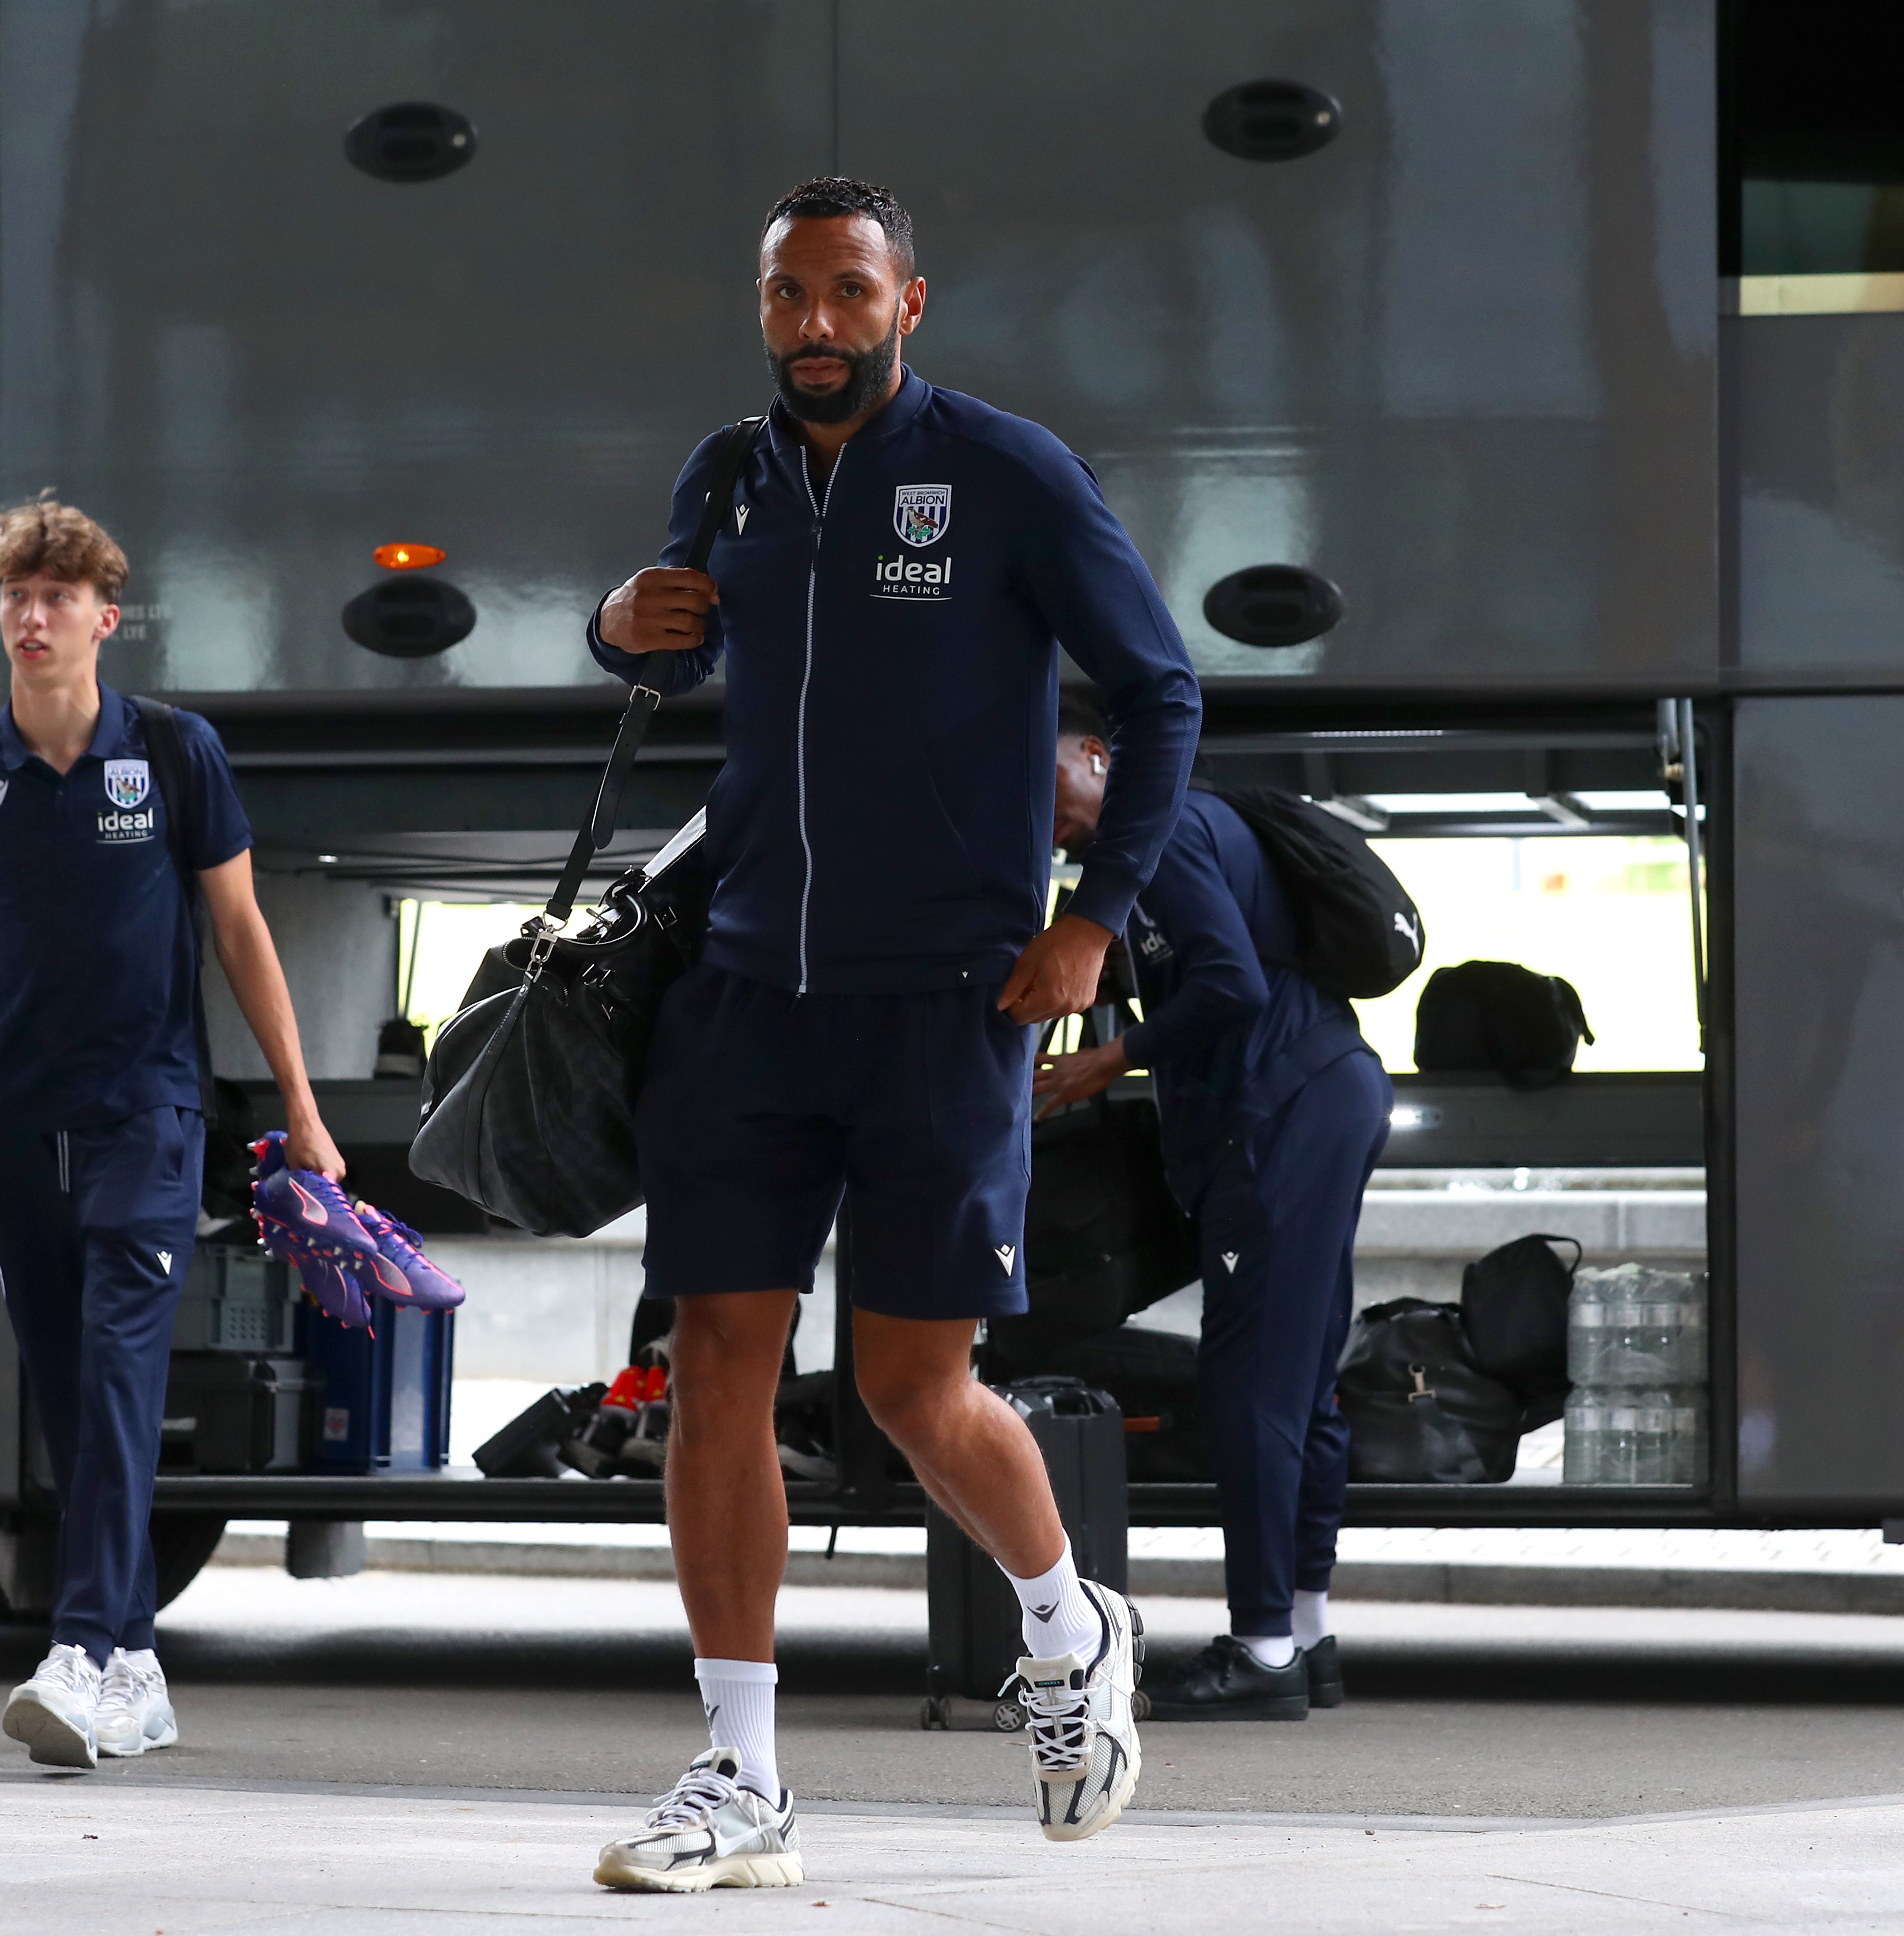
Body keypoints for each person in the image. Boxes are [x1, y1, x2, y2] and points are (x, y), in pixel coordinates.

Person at [584, 177, 1200, 1890]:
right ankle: (741, 1779)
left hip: (948, 1003)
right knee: (716, 1363)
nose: (815, 325)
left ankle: (1070, 1626)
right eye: (789, 295)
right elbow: (660, 643)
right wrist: (617, 626)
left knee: (912, 1390)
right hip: (741, 993)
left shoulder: (1004, 472)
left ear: (910, 304)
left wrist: (1095, 921)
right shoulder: (730, 473)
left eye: (849, 293)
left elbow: (1160, 695)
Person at [0, 498, 347, 1771]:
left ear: (104, 619)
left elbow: (242, 933)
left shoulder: (175, 754)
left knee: (122, 1366)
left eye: (57, 598)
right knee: (70, 1401)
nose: (32, 618)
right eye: (17, 597)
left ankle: (81, 1655)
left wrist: (302, 1112)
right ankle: (135, 1663)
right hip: (17, 1123)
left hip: (151, 1110)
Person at [1035, 698, 1392, 1721]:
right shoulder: (1161, 843)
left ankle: (1262, 1650)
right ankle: (1307, 1634)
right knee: (1303, 1377)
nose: (1034, 806)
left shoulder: (1170, 831)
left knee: (1251, 1386)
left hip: (1282, 1111)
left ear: (1100, 755)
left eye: (1043, 774)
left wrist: (1117, 1055)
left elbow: (1228, 984)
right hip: (1319, 1093)